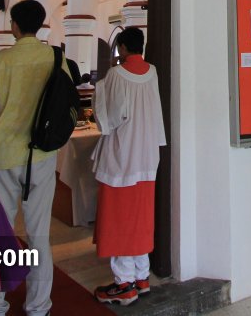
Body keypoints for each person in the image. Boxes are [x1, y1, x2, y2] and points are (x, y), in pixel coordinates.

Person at [0, 0, 70, 316]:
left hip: (2, 156)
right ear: (41, 25)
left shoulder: (1, 61)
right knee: (38, 233)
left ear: (14, 25)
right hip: (41, 155)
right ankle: (38, 306)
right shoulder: (56, 58)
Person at [91, 27, 167, 306]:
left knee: (120, 217)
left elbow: (109, 117)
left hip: (122, 157)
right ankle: (142, 276)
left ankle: (124, 284)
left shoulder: (116, 74)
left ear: (122, 47)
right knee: (140, 216)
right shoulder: (152, 72)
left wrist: (106, 80)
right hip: (147, 154)